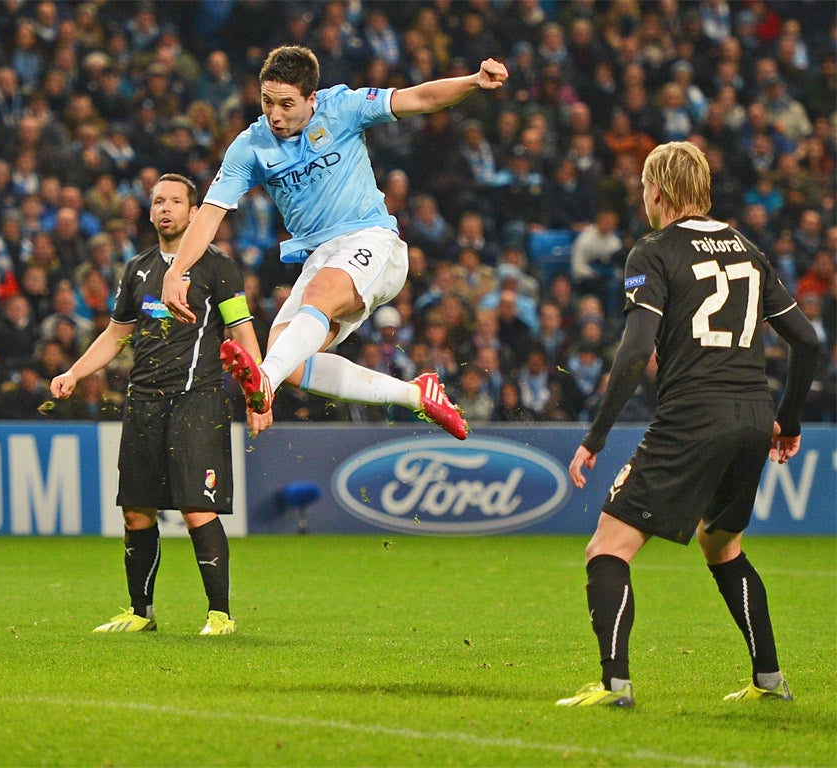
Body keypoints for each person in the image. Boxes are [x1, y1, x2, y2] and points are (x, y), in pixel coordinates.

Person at [558, 142, 819, 708]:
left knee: (608, 546)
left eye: (647, 187)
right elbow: (808, 340)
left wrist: (595, 437)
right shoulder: (747, 249)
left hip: (692, 415)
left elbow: (632, 355)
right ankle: (769, 681)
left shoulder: (653, 251)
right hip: (753, 415)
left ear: (662, 190)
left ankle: (614, 686)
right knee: (722, 542)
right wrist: (788, 420)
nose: (644, 198)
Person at [161, 46, 510, 441]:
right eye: (267, 102)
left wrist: (473, 81)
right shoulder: (251, 145)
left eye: (286, 104)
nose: (274, 114)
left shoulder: (343, 107)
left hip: (373, 242)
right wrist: (176, 270)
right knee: (290, 358)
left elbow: (419, 97)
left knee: (312, 306)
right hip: (320, 259)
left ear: (311, 98)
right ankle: (417, 394)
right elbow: (210, 212)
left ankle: (264, 381)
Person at [50, 174, 269, 636]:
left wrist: (259, 392)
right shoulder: (138, 270)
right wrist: (74, 373)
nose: (165, 208)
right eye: (157, 201)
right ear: (150, 213)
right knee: (136, 509)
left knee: (196, 508)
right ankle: (140, 612)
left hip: (199, 401)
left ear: (194, 213)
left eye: (175, 201)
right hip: (144, 402)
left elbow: (242, 333)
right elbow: (115, 335)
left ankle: (220, 615)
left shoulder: (217, 268)